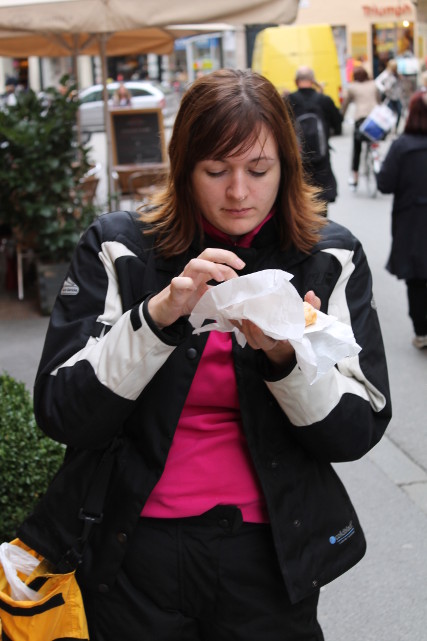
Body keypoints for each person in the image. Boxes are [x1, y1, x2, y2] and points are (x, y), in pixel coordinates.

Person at [18, 69, 391, 641]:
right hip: (132, 550)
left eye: (258, 170)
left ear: (287, 166)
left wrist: (287, 360)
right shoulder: (120, 248)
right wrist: (158, 316)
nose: (238, 192)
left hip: (268, 554)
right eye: (216, 171)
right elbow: (63, 412)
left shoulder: (328, 257)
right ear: (184, 169)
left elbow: (354, 432)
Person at [377, 89, 427, 349]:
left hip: (412, 222)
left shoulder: (402, 146)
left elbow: (385, 184)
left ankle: (422, 331)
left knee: (417, 278)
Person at [286, 66, 342, 214]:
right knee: (321, 199)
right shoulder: (324, 100)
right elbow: (338, 123)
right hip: (321, 158)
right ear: (313, 81)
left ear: (296, 81)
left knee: (298, 197)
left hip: (298, 159)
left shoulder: (289, 100)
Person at [341, 66, 381, 189]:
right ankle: (376, 157)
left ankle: (355, 176)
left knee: (357, 148)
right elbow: (378, 100)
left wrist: (341, 116)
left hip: (361, 119)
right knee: (375, 140)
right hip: (375, 118)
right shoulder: (374, 84)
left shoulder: (352, 87)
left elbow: (346, 103)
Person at [375, 58, 403, 131]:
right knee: (388, 114)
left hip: (396, 97)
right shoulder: (386, 74)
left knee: (399, 113)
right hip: (389, 97)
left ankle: (396, 128)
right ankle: (389, 129)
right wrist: (383, 89)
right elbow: (377, 81)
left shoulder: (397, 74)